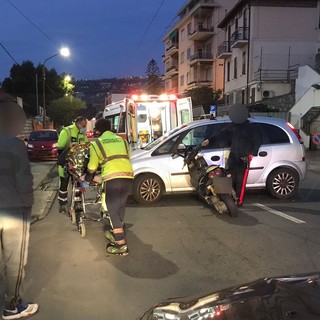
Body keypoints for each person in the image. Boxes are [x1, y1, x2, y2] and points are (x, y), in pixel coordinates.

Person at [0, 100, 39, 319]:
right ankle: (12, 307)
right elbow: (24, 180)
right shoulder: (14, 145)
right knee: (14, 259)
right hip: (12, 210)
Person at [83, 118, 133, 256]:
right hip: (128, 176)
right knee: (120, 206)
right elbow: (127, 157)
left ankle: (121, 244)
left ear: (98, 130)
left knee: (112, 209)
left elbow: (92, 167)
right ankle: (117, 230)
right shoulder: (122, 140)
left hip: (112, 178)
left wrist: (88, 178)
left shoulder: (96, 143)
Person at [202, 104, 261, 206]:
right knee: (228, 177)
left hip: (244, 156)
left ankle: (239, 201)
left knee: (240, 181)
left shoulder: (251, 127)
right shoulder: (233, 126)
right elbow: (221, 134)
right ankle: (228, 199)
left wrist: (252, 153)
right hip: (233, 155)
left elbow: (258, 141)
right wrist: (209, 140)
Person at [56, 116, 88, 214]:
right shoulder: (67, 131)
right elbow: (60, 148)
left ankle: (78, 203)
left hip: (78, 165)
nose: (85, 127)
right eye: (83, 125)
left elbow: (86, 146)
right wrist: (69, 150)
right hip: (66, 164)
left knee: (79, 183)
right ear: (78, 124)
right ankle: (62, 204)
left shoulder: (82, 134)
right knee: (64, 184)